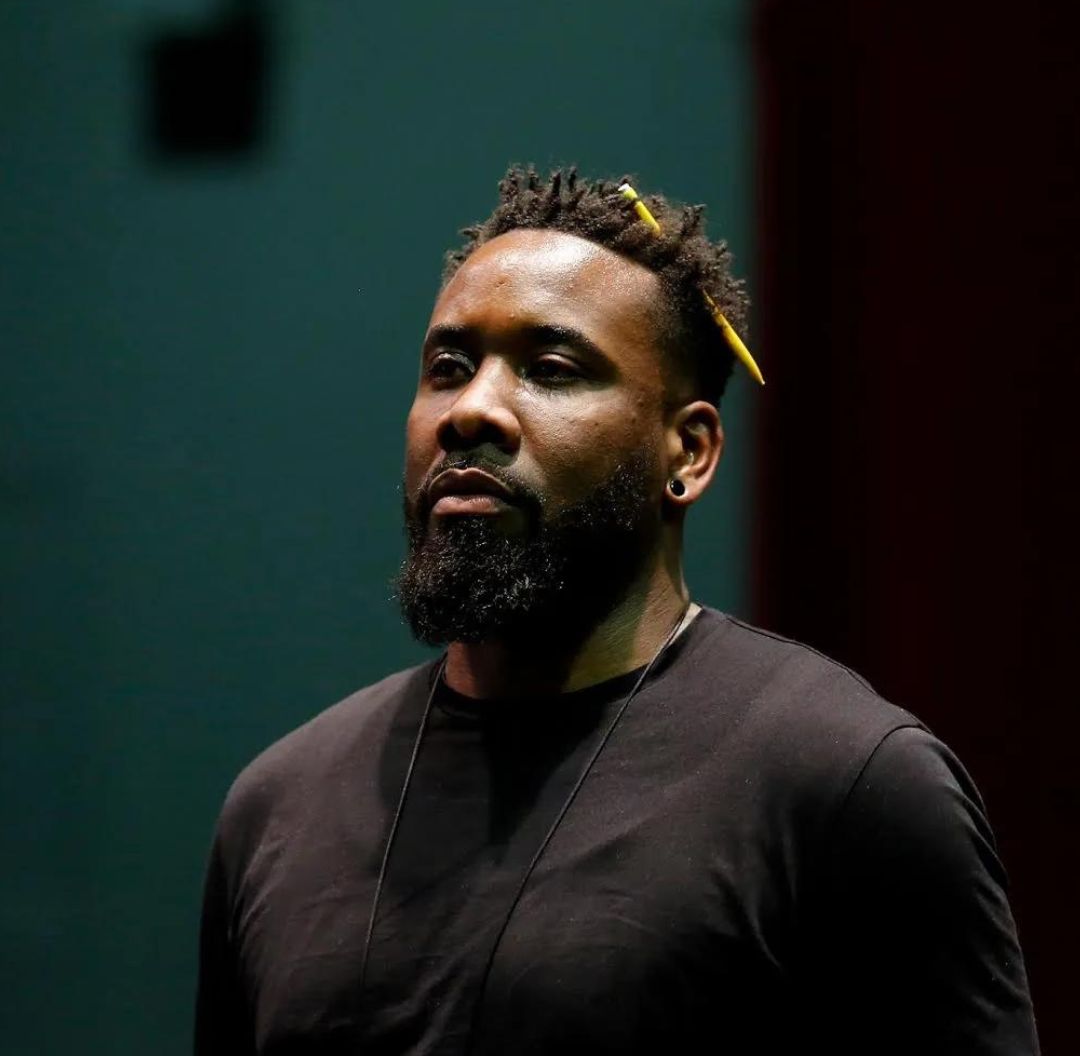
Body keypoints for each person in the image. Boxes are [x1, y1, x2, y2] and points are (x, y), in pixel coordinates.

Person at [194, 167, 1039, 1054]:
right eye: (448, 368)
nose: (472, 410)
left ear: (689, 450)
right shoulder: (280, 805)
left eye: (550, 370)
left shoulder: (844, 786)